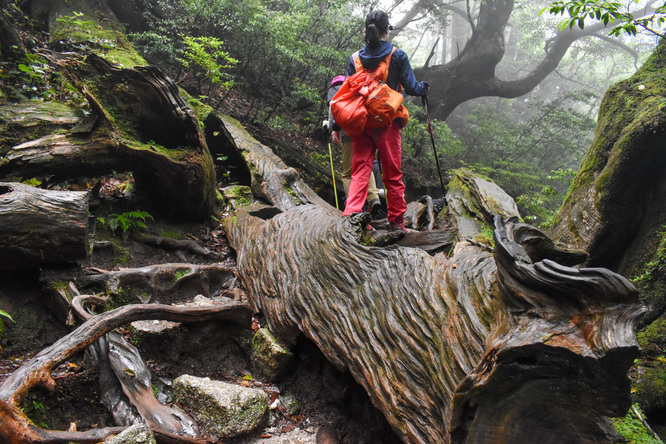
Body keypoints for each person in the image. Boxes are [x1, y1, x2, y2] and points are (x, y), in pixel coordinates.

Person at [341, 10, 429, 233]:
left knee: (360, 171)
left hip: (361, 124)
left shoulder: (355, 59)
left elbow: (349, 92)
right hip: (388, 124)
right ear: (387, 29)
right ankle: (396, 222)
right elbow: (411, 87)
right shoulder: (397, 55)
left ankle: (352, 217)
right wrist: (424, 88)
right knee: (392, 173)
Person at [324, 76, 381, 216]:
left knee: (348, 174)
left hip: (348, 131)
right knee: (365, 166)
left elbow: (333, 107)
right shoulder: (356, 86)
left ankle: (354, 207)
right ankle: (373, 198)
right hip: (366, 130)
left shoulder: (335, 89)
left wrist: (331, 127)